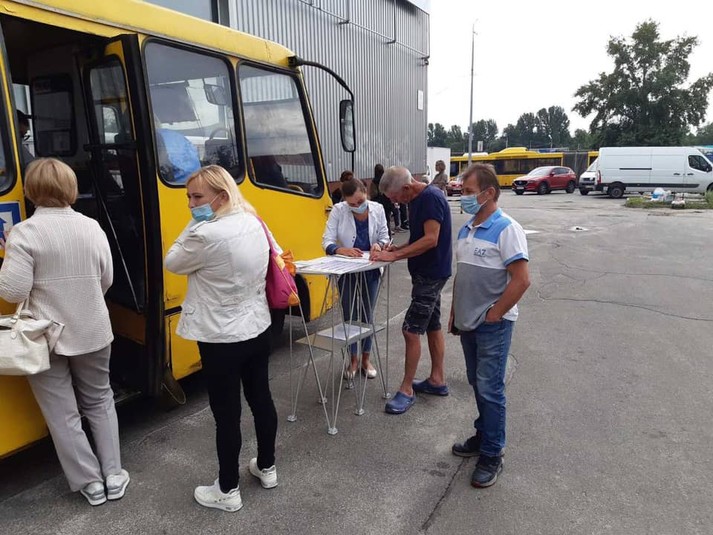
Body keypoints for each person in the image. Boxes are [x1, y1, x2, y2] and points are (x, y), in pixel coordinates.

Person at [0, 158, 128, 506]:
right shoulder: (92, 227)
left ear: (30, 190)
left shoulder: (24, 233)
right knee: (99, 400)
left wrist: (9, 253)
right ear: (71, 188)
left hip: (45, 336)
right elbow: (106, 279)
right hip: (93, 328)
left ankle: (91, 483)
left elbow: (13, 291)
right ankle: (114, 475)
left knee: (62, 412)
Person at [164, 165, 278, 513]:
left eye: (197, 197)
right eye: (188, 197)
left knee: (226, 414)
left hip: (220, 337)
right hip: (257, 326)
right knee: (261, 398)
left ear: (222, 196)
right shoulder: (253, 221)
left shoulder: (204, 234)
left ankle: (228, 489)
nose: (190, 204)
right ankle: (267, 467)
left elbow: (171, 261)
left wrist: (194, 223)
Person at [449, 163, 530, 488]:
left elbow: (521, 280)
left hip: (492, 325)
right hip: (468, 322)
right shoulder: (466, 229)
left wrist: (495, 314)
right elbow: (463, 275)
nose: (463, 197)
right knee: (477, 382)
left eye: (468, 192)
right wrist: (455, 313)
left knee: (490, 388)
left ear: (489, 193)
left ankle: (493, 453)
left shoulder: (507, 229)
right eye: (463, 192)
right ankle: (483, 435)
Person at [370, 166, 452, 414]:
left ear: (406, 187)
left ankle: (406, 389)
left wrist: (393, 257)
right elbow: (419, 237)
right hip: (427, 273)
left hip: (431, 274)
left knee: (410, 330)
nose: (395, 202)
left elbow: (431, 239)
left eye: (396, 197)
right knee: (432, 325)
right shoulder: (416, 199)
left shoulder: (430, 198)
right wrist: (399, 248)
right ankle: (437, 380)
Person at [322, 178, 389, 379]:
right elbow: (326, 241)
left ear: (366, 192)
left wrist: (379, 245)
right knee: (350, 316)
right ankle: (352, 359)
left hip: (370, 269)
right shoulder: (338, 210)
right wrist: (340, 249)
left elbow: (385, 236)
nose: (357, 206)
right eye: (351, 204)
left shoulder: (378, 209)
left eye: (360, 201)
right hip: (347, 271)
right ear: (345, 201)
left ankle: (366, 359)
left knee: (367, 315)